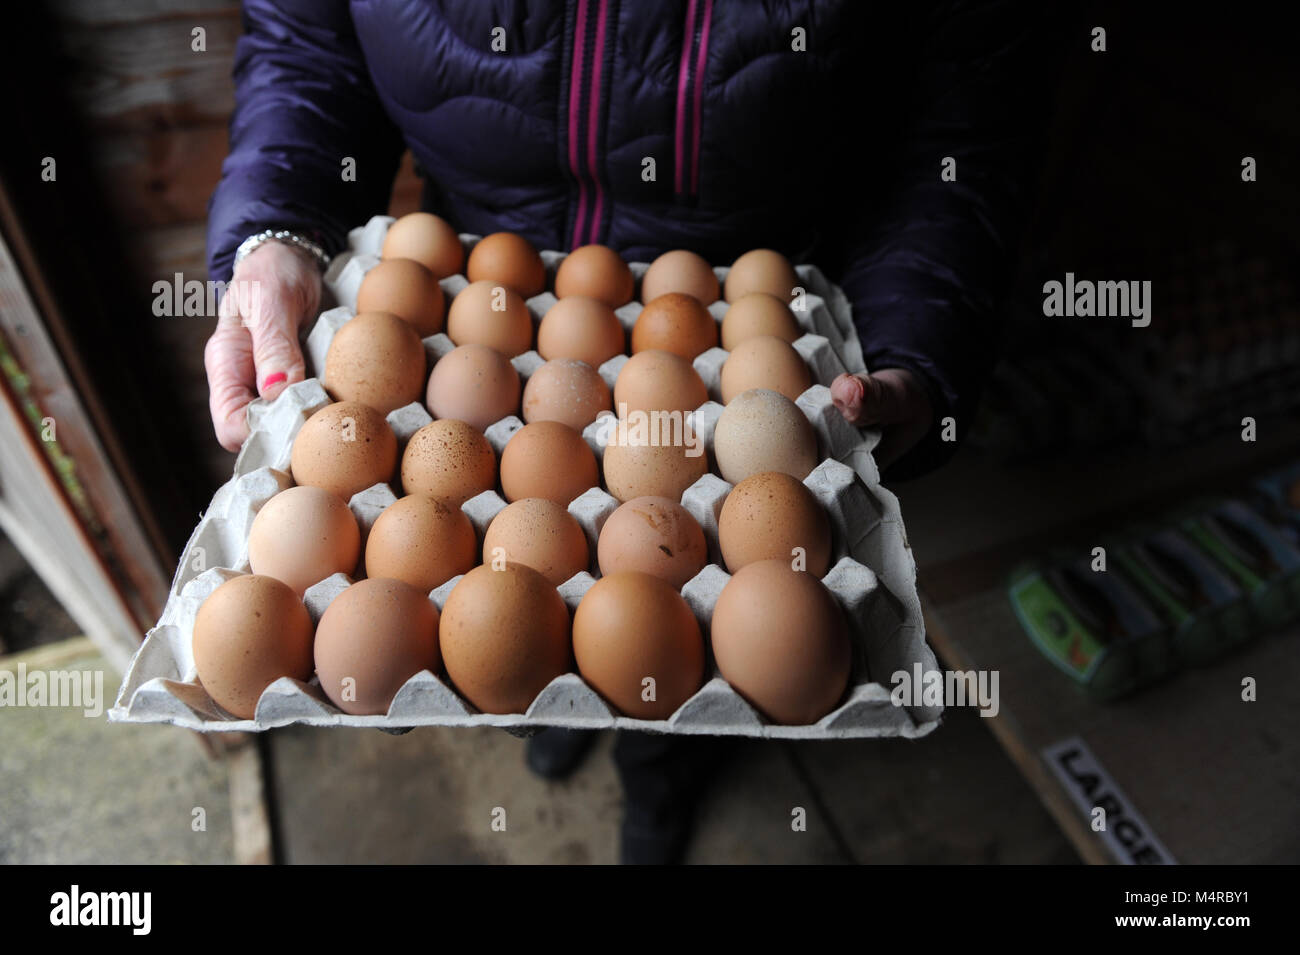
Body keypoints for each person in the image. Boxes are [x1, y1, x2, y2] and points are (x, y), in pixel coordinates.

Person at [204, 0, 1046, 864]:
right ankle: (559, 692)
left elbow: (965, 127)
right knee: (539, 624)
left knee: (689, 619)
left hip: (757, 302)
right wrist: (275, 225)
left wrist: (918, 337)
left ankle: (659, 761)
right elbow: (306, 50)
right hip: (481, 291)